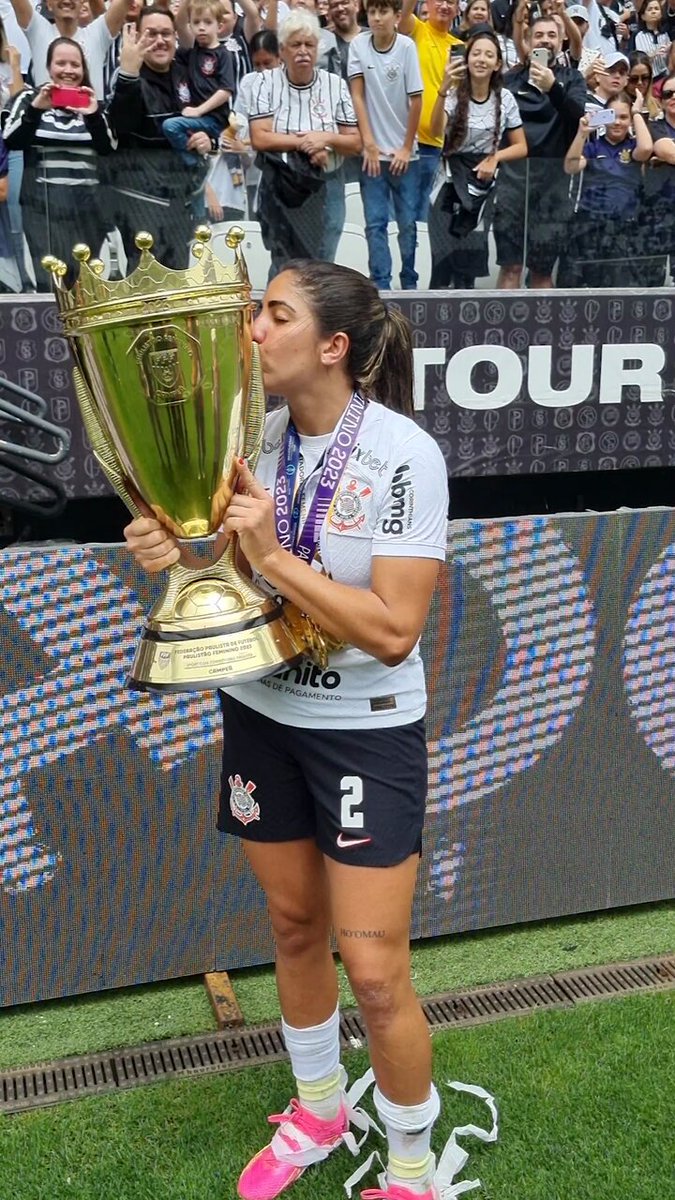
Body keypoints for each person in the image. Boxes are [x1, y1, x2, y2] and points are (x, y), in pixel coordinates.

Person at [124, 259, 449, 1200]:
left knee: (378, 971)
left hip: (364, 730)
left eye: (273, 314)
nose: (251, 331)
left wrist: (268, 551)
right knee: (294, 924)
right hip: (263, 712)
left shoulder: (400, 455)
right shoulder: (249, 444)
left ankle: (414, 1165)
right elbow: (205, 562)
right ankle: (317, 1108)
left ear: (332, 346)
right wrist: (165, 544)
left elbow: (392, 633)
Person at [248, 10, 361, 275]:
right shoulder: (264, 82)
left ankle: (317, 317)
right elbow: (260, 137)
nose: (303, 51)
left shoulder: (335, 85)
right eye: (296, 45)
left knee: (322, 263)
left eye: (309, 45)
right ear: (283, 50)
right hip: (281, 182)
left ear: (317, 49)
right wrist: (305, 143)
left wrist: (325, 138)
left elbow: (355, 142)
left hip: (327, 182)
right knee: (284, 263)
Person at [4, 35, 116, 289]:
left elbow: (108, 147)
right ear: (49, 67)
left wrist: (93, 115)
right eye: (61, 63)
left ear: (83, 69)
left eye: (75, 65)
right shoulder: (29, 99)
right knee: (51, 285)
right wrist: (36, 109)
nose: (68, 70)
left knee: (85, 285)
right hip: (43, 210)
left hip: (87, 210)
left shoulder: (94, 104)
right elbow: (11, 140)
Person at [106, 10, 211, 272]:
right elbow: (120, 127)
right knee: (145, 287)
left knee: (178, 285)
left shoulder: (187, 74)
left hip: (181, 200)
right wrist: (128, 74)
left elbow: (213, 122)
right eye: (151, 34)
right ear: (137, 38)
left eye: (166, 33)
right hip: (141, 204)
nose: (160, 40)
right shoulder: (128, 76)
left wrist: (207, 137)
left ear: (176, 37)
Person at [427, 27, 527, 288]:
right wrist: (443, 88)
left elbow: (521, 146)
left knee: (468, 263)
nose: (481, 59)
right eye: (476, 53)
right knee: (442, 260)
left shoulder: (504, 99)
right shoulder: (452, 94)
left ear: (497, 64)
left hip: (480, 186)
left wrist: (495, 158)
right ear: (467, 58)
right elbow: (435, 130)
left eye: (489, 55)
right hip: (448, 183)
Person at [494, 13, 586, 288]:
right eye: (539, 35)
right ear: (527, 40)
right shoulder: (509, 80)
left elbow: (579, 117)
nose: (545, 40)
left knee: (542, 271)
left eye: (552, 35)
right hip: (512, 185)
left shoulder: (572, 78)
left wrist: (552, 88)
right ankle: (500, 330)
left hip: (553, 189)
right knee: (511, 267)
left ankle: (542, 332)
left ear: (561, 41)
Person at [348, 0, 423, 291]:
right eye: (373, 12)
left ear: (397, 16)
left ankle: (409, 282)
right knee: (375, 224)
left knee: (407, 225)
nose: (377, 18)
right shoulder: (358, 45)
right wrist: (369, 143)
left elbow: (416, 100)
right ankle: (380, 286)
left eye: (384, 12)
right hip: (373, 156)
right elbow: (357, 96)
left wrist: (406, 147)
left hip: (407, 156)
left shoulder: (406, 47)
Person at [563, 89, 652, 287]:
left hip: (624, 229)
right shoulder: (593, 146)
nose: (618, 122)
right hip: (591, 227)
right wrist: (581, 134)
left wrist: (637, 112)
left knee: (620, 290)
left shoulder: (633, 146)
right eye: (612, 116)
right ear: (603, 117)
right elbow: (570, 166)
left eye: (624, 117)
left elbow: (646, 149)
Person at [398, 0, 464, 220]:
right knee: (402, 216)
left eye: (451, 2)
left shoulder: (459, 47)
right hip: (409, 144)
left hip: (438, 148)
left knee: (426, 219)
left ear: (457, 9)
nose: (445, 6)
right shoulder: (418, 29)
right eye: (439, 0)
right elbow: (404, 13)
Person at [162, 0, 235, 171]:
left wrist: (199, 110)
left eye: (208, 22)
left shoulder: (224, 54)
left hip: (214, 119)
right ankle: (196, 162)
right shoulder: (192, 51)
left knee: (170, 126)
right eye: (196, 22)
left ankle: (194, 165)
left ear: (220, 26)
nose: (201, 27)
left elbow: (225, 91)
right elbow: (179, 22)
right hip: (198, 118)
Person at [8, 0, 129, 98]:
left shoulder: (98, 34)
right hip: (45, 124)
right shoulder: (38, 30)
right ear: (49, 4)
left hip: (89, 124)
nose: (66, 1)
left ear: (82, 2)